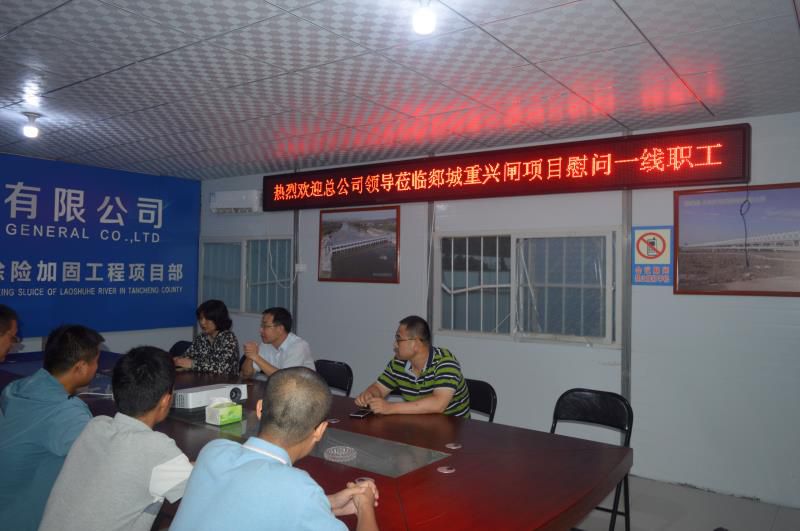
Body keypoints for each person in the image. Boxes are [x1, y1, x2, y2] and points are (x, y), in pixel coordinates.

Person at [170, 367, 379, 531]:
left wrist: (327, 503)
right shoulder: (300, 490)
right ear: (320, 430)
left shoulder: (213, 451)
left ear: (260, 409)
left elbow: (253, 503)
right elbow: (287, 499)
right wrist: (365, 506)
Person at [40, 346, 193, 531]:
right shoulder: (157, 449)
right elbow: (210, 483)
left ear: (115, 392)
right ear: (165, 400)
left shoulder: (95, 427)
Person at [0, 324, 104, 531]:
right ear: (81, 367)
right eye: (96, 361)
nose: (97, 368)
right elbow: (103, 462)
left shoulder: (15, 389)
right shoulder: (67, 413)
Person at [355, 315, 470, 417]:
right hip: (419, 426)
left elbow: (438, 404)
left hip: (454, 430)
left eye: (398, 339)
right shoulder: (398, 362)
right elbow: (379, 388)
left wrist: (390, 408)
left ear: (415, 343)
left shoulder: (445, 362)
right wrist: (369, 395)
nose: (394, 344)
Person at [240, 307, 314, 379]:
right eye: (261, 326)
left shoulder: (298, 346)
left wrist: (256, 357)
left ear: (280, 329)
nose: (261, 330)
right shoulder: (266, 344)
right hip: (278, 387)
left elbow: (285, 379)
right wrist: (250, 357)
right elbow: (245, 375)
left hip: (304, 387)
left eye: (265, 326)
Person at [174, 299, 239, 375]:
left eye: (207, 319)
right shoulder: (201, 337)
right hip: (202, 379)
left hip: (225, 381)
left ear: (218, 319)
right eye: (201, 318)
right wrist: (178, 360)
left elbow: (222, 368)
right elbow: (188, 356)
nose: (202, 323)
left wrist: (193, 364)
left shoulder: (228, 338)